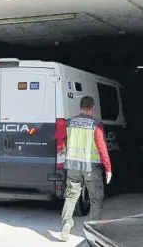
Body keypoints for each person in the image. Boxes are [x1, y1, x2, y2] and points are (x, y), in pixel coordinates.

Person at [59, 96, 112, 242]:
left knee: (70, 197)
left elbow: (61, 142)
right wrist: (108, 168)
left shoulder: (69, 123)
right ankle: (93, 231)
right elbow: (101, 148)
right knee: (96, 199)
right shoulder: (96, 124)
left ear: (79, 107)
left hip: (73, 167)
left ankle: (66, 226)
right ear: (93, 108)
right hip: (91, 168)